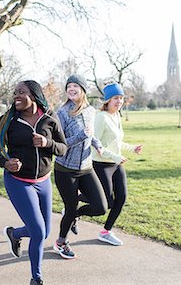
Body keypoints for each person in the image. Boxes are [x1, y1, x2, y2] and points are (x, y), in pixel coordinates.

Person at [0, 80, 67, 285]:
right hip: (18, 182)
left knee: (44, 231)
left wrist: (47, 143)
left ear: (33, 95)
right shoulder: (8, 120)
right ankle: (36, 277)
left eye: (21, 92)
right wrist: (6, 163)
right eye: (15, 93)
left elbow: (63, 147)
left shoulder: (50, 117)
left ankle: (14, 234)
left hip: (43, 181)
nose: (16, 96)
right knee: (39, 231)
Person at [52, 74, 107, 259]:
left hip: (86, 167)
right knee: (70, 206)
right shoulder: (62, 113)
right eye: (69, 86)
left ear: (83, 90)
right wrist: (81, 137)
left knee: (101, 206)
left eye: (76, 86)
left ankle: (75, 215)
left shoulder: (90, 111)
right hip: (65, 170)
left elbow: (89, 134)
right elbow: (59, 144)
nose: (72, 89)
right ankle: (61, 242)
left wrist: (97, 144)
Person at [92, 83, 143, 246]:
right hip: (101, 164)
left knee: (121, 198)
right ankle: (73, 211)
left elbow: (117, 141)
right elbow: (96, 144)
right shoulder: (101, 117)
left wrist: (132, 148)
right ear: (107, 100)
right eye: (116, 98)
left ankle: (106, 232)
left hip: (116, 163)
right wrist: (114, 156)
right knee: (106, 202)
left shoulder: (116, 116)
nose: (119, 101)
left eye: (121, 98)